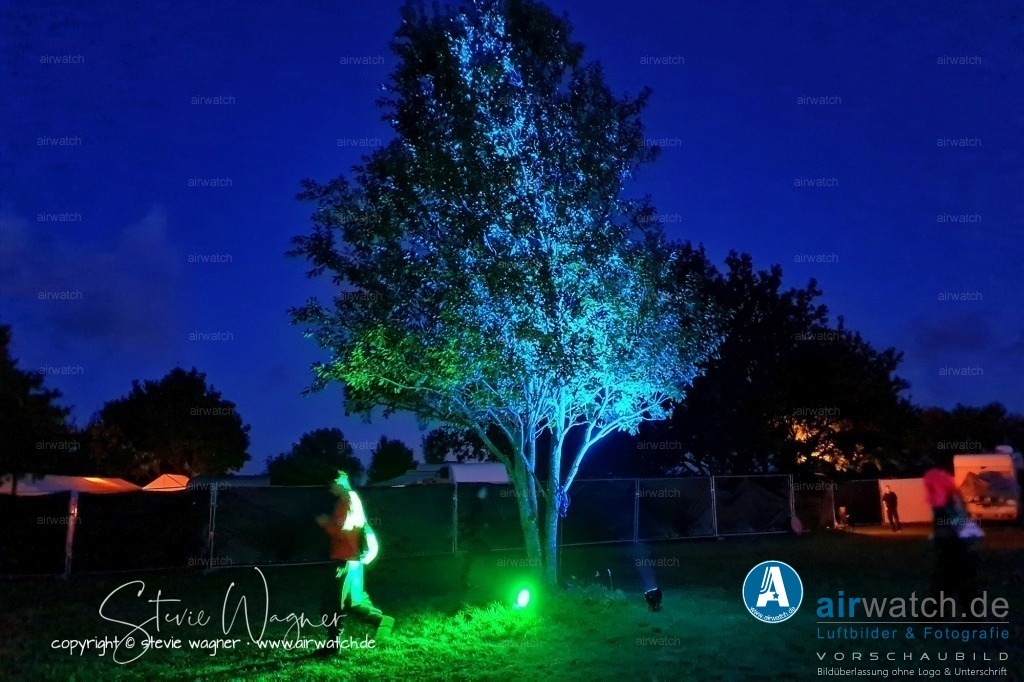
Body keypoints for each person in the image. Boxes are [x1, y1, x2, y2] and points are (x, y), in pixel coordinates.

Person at [316, 471, 394, 651]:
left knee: (331, 602)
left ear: (339, 481)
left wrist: (326, 523)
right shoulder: (351, 500)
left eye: (332, 485)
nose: (331, 490)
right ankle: (382, 621)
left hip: (345, 562)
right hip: (354, 562)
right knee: (355, 602)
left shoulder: (348, 501)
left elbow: (344, 530)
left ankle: (333, 644)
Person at [923, 468, 979, 617]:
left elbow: (956, 520)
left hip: (954, 546)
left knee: (956, 581)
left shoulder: (947, 499)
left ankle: (969, 617)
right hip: (953, 546)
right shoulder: (947, 497)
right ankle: (937, 611)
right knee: (947, 581)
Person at [458, 485, 491, 590]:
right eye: (483, 491)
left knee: (472, 557)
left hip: (475, 535)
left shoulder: (477, 503)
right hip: (473, 535)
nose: (485, 493)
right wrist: (481, 526)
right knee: (471, 557)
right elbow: (474, 518)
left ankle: (467, 581)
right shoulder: (476, 503)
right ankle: (466, 582)